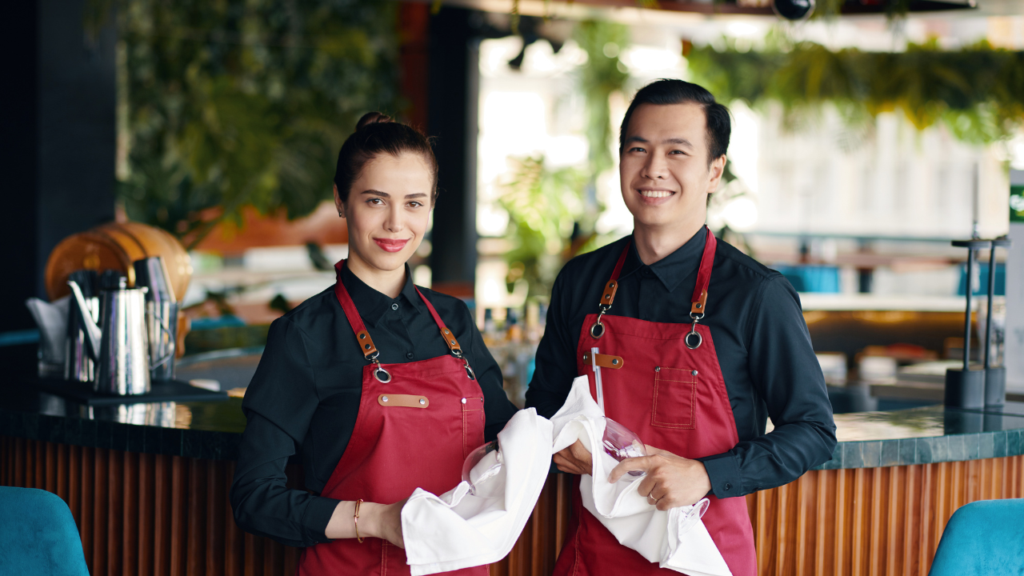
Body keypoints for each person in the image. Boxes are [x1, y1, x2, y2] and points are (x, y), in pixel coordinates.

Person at [525, 79, 837, 575]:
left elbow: (815, 432)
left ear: (715, 171)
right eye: (638, 149)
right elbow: (542, 408)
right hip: (594, 558)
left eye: (677, 152)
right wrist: (560, 438)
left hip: (703, 558)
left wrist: (706, 474)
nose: (654, 170)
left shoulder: (757, 295)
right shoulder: (580, 281)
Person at [231, 112, 518, 575]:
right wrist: (379, 520)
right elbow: (254, 498)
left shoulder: (453, 320)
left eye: (414, 203)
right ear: (341, 200)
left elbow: (506, 439)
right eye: (375, 200)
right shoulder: (303, 336)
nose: (395, 224)